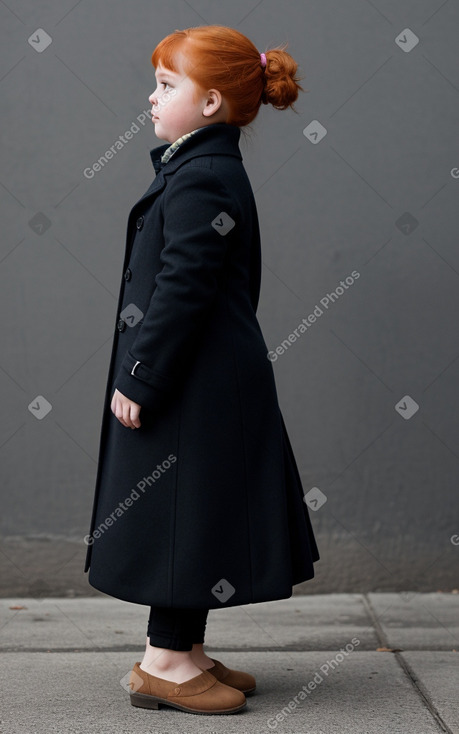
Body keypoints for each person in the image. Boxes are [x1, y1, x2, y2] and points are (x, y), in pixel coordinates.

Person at [84, 24, 320, 715]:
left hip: (191, 378)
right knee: (187, 513)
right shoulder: (203, 167)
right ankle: (175, 653)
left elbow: (182, 289)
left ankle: (166, 659)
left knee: (185, 515)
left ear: (212, 102)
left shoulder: (202, 177)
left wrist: (141, 376)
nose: (150, 98)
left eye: (165, 85)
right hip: (203, 376)